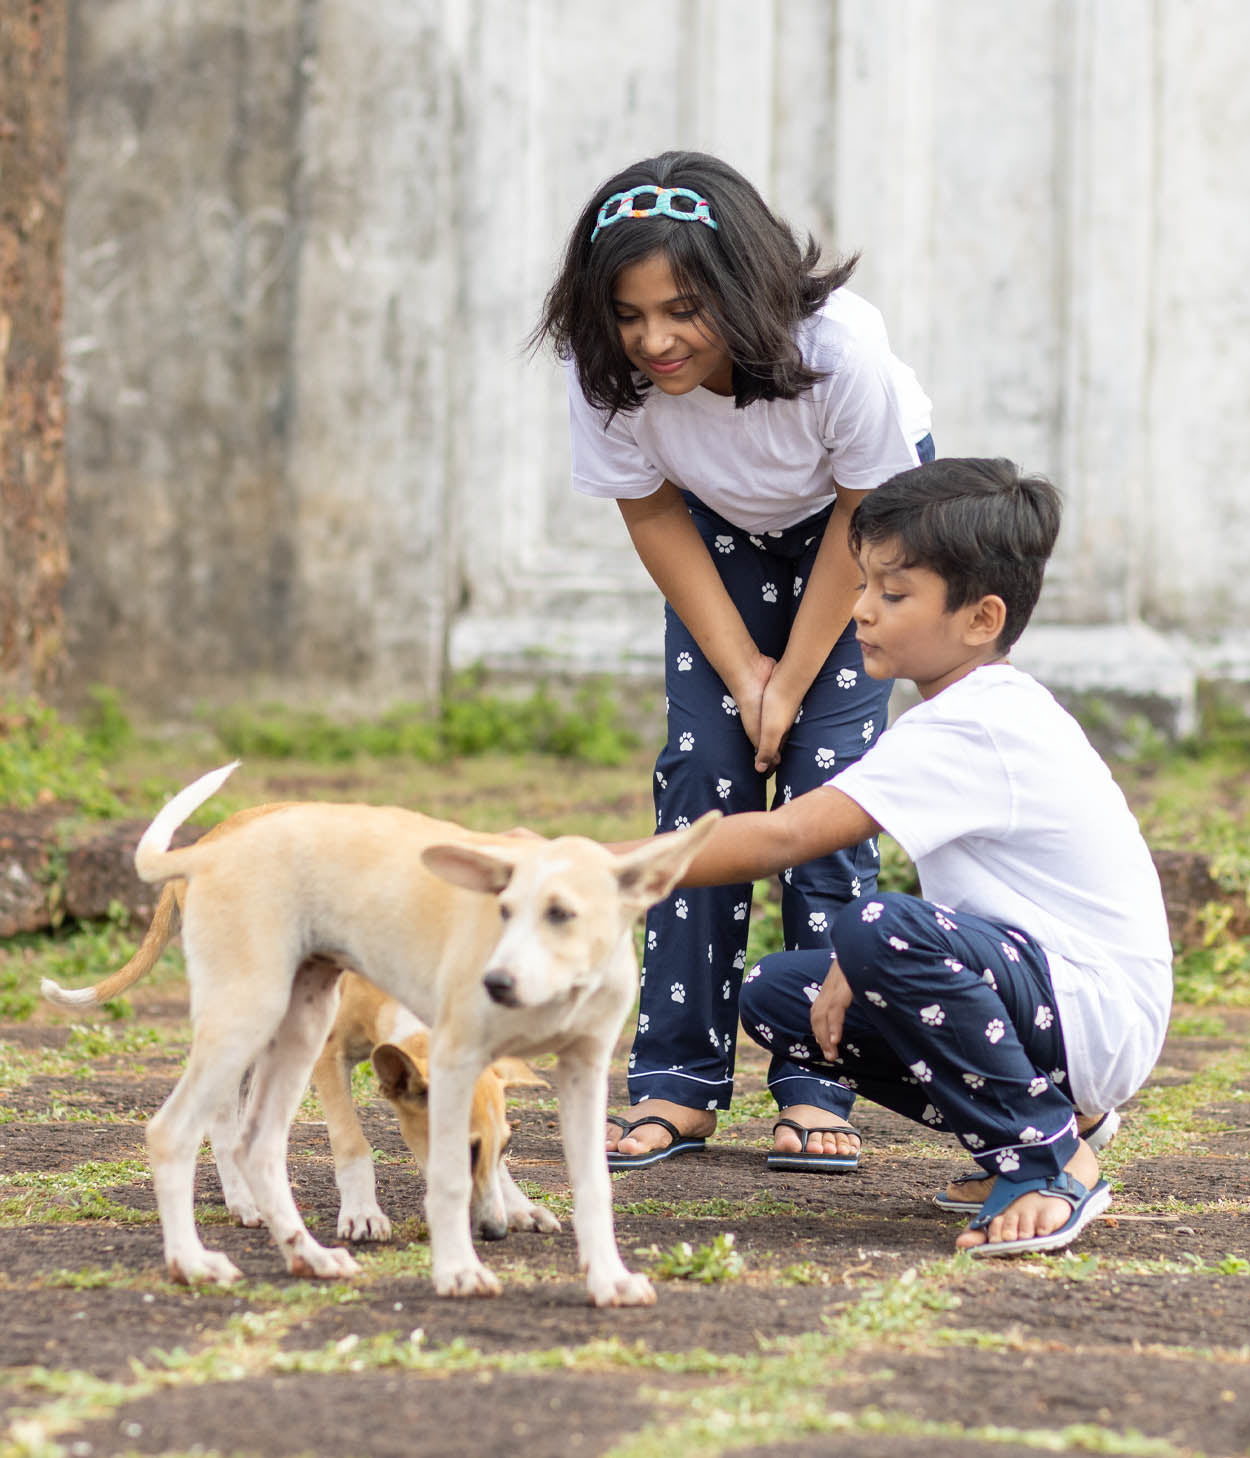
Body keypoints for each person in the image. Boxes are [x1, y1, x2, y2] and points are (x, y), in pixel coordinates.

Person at [649, 456, 1171, 1254]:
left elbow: (787, 834)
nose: (860, 611)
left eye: (892, 595)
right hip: (1055, 1006)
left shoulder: (975, 723)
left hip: (1089, 1009)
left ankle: (1050, 1159)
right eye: (863, 587)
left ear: (981, 618)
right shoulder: (967, 711)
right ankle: (1063, 1116)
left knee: (877, 926)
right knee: (781, 995)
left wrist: (596, 863)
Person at [531, 150, 934, 1170]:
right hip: (713, 534)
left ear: (740, 288)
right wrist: (742, 675)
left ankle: (817, 1082)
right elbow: (654, 511)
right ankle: (676, 1078)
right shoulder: (605, 368)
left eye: (680, 310)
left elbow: (860, 513)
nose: (653, 340)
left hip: (863, 524)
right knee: (704, 776)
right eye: (628, 315)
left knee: (823, 780)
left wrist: (790, 682)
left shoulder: (839, 353)